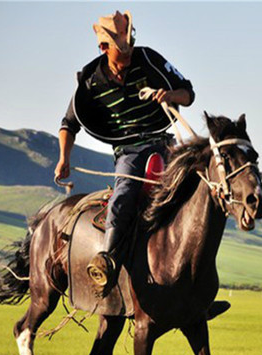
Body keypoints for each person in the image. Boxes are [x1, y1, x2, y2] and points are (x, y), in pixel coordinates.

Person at [55, 10, 194, 296]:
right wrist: (63, 158)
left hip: (163, 142)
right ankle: (106, 261)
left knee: (195, 193)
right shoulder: (91, 82)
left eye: (130, 45)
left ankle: (198, 291)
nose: (129, 52)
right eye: (122, 48)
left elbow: (189, 93)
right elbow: (69, 124)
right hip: (128, 151)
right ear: (104, 48)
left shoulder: (149, 59)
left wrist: (169, 96)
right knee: (125, 193)